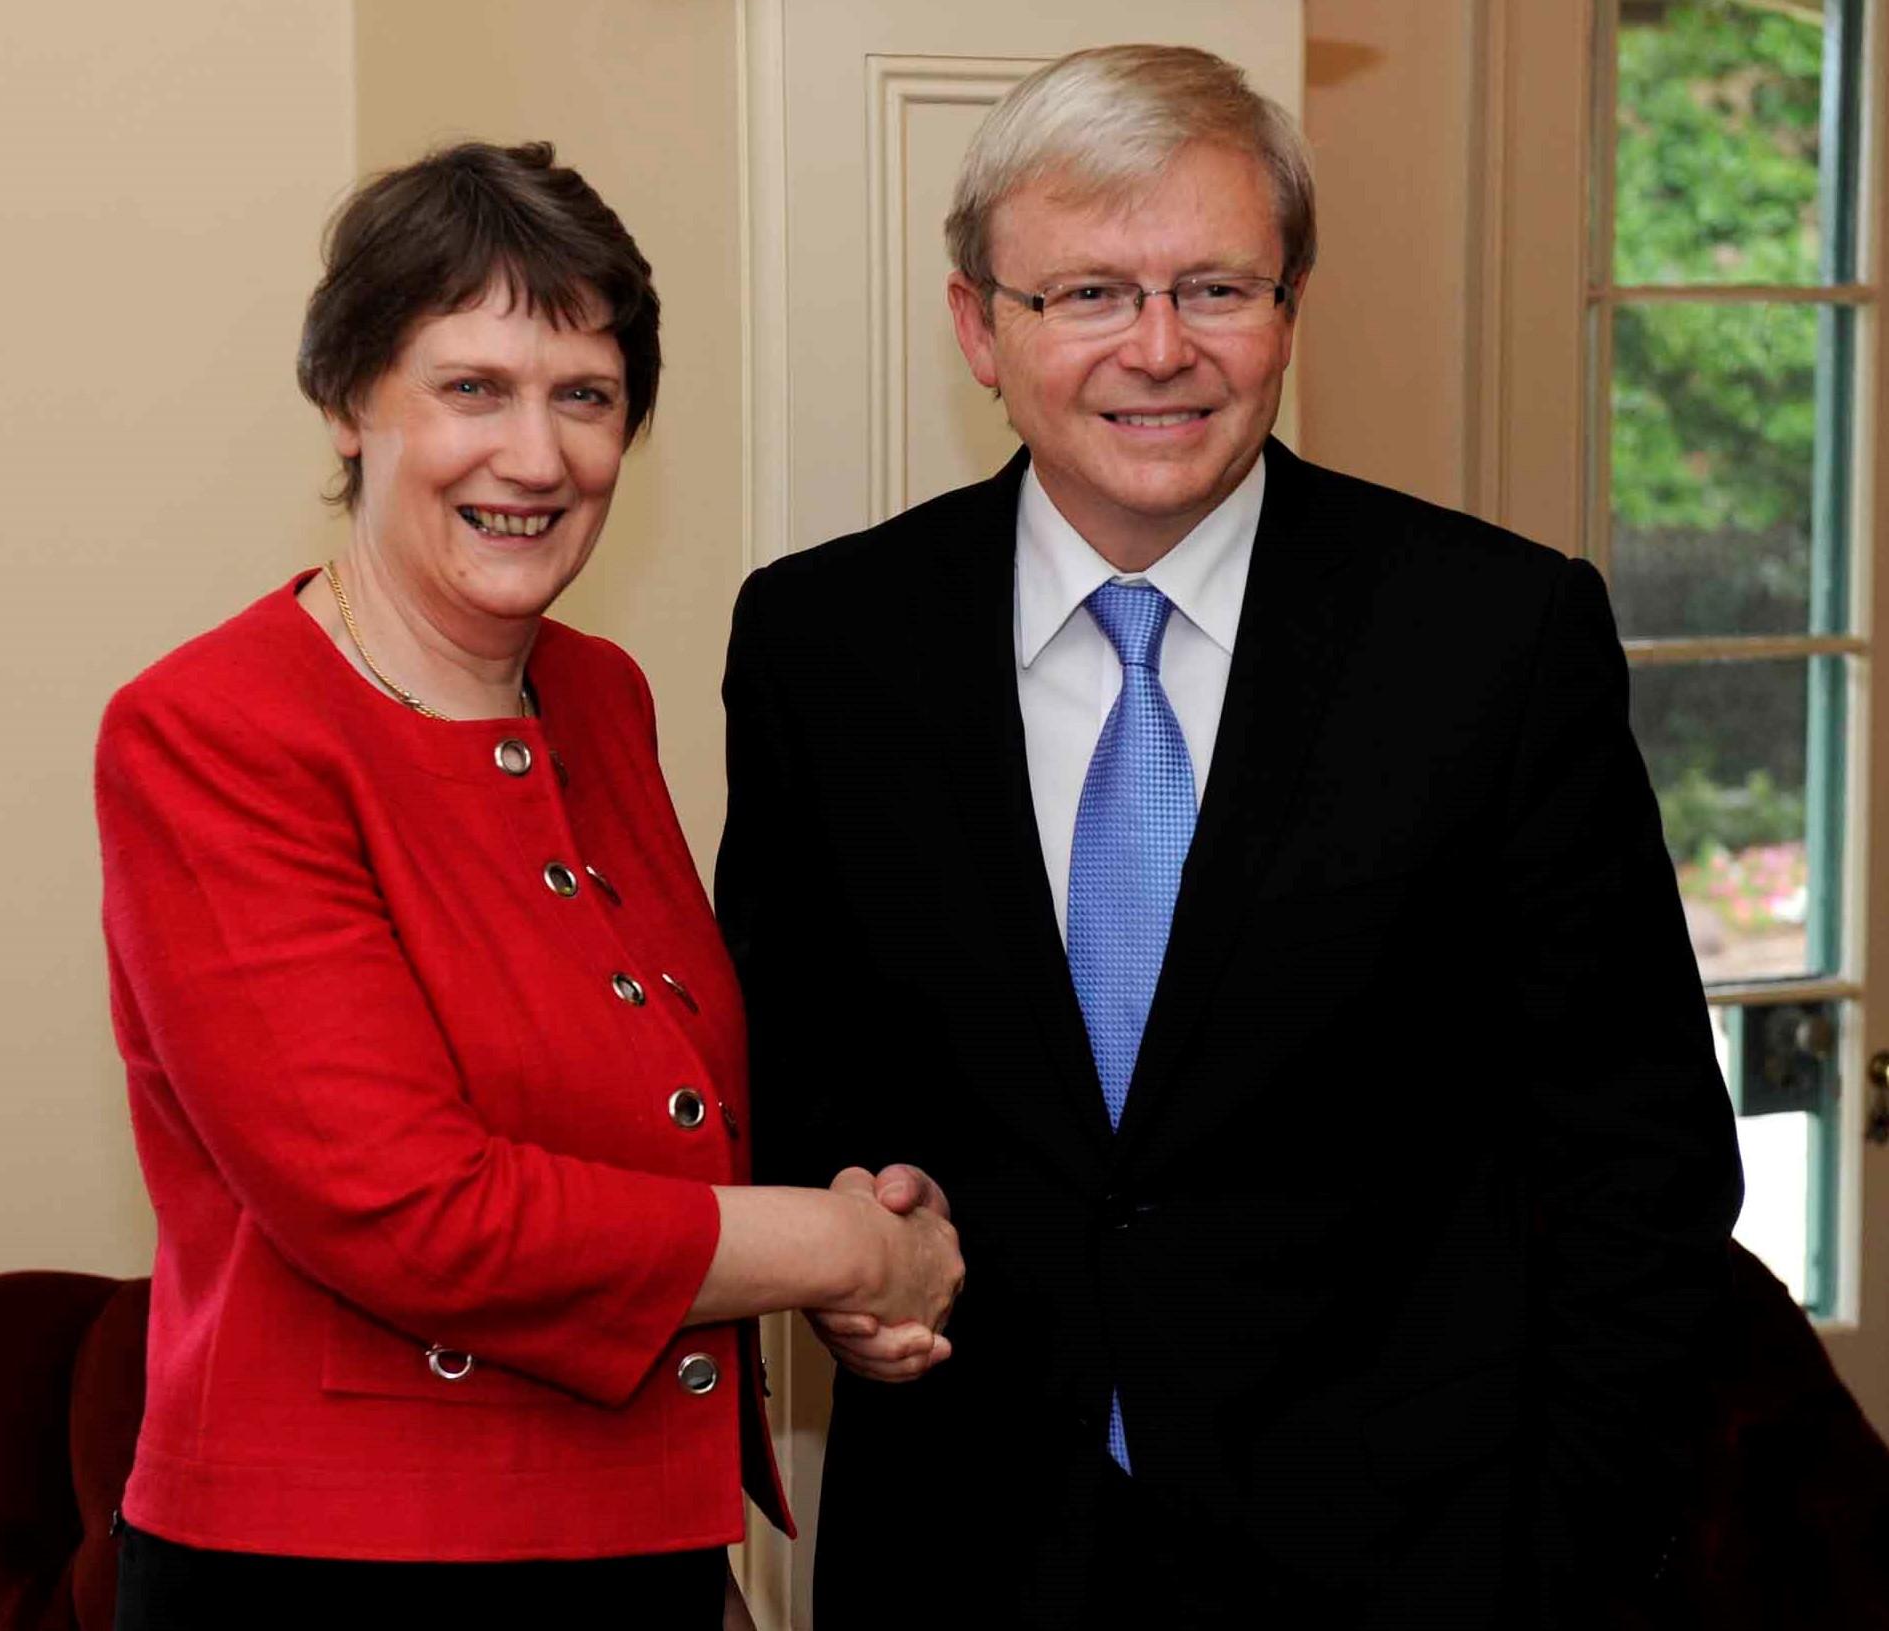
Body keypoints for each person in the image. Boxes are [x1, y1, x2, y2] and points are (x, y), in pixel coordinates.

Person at [716, 45, 1742, 1628]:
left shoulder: (1492, 637)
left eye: (1216, 287)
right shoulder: (825, 645)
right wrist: (852, 1247)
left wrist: (1570, 1571)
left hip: (1413, 1570)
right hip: (965, 1561)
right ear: (977, 327)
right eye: (1087, 295)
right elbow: (788, 1072)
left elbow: (1643, 1165)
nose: (1160, 350)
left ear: (1290, 311)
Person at [94, 140, 961, 1630]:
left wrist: (834, 1238)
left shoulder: (601, 696)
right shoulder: (212, 730)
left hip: (638, 1540)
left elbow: (660, 1112)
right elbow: (411, 1211)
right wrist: (831, 1245)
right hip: (340, 1571)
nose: (539, 456)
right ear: (350, 401)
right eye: (472, 388)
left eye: (587, 396)